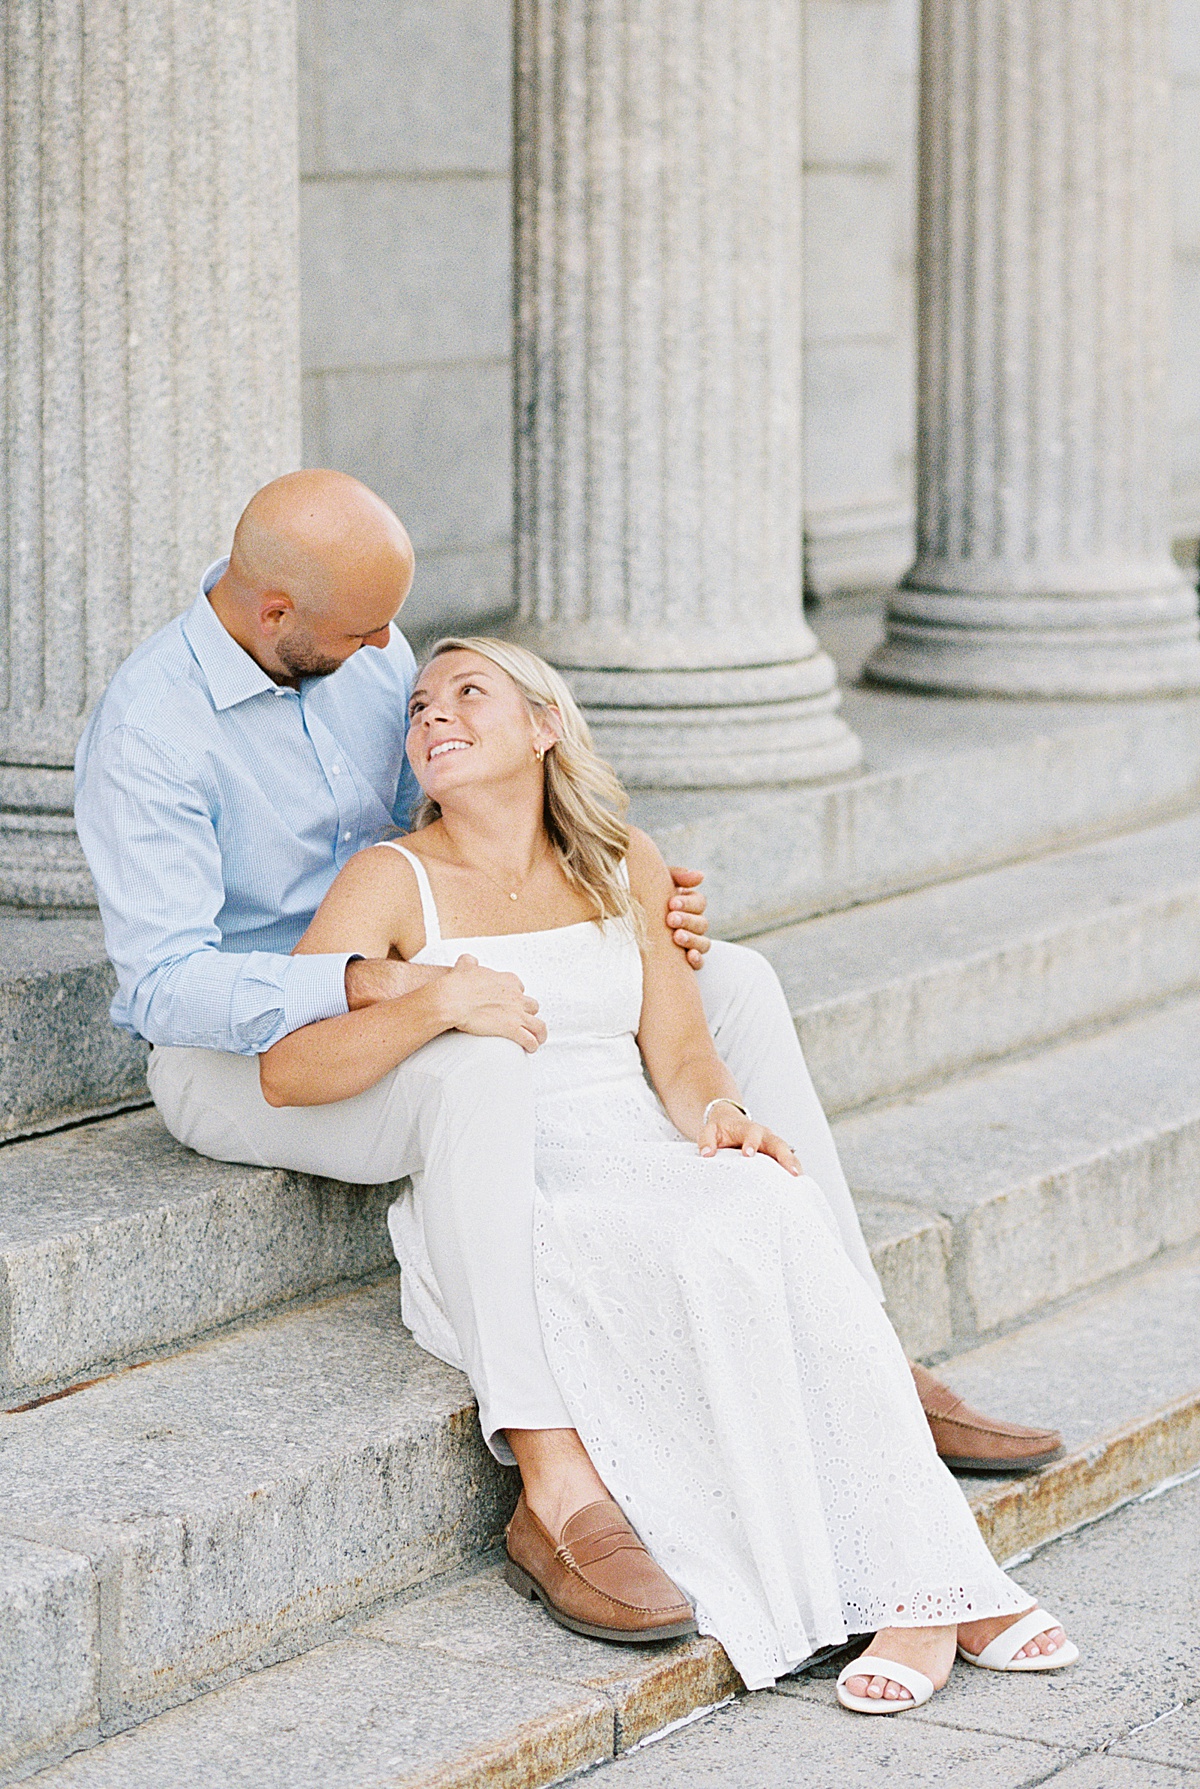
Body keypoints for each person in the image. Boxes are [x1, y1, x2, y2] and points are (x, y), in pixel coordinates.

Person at [72, 467, 1060, 1483]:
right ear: (277, 610)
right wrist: (365, 982)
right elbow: (162, 986)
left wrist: (600, 896)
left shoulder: (363, 646)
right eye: (365, 633)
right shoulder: (152, 731)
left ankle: (863, 1351)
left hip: (423, 963)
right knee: (473, 1067)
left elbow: (452, 813)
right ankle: (548, 1467)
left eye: (390, 630)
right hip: (244, 1052)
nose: (384, 653)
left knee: (736, 982)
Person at [256, 635, 1079, 1709]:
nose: (432, 718)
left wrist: (727, 1119)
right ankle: (940, 1591)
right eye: (417, 708)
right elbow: (287, 1064)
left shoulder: (623, 861)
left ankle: (923, 1584)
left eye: (468, 693)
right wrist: (433, 1002)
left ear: (545, 725)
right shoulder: (393, 879)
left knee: (767, 1196)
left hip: (644, 1141)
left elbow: (682, 1055)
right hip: (520, 1176)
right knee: (699, 1239)